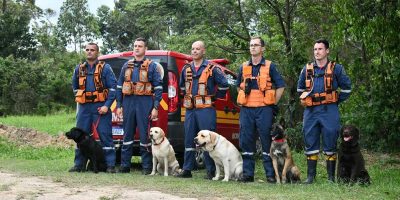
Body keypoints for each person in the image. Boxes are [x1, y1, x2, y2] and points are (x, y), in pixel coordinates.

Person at [297, 39, 351, 184]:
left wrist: (335, 100)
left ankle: (331, 179)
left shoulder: (336, 68)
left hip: (329, 110)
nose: (317, 52)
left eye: (320, 49)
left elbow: (347, 88)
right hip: (311, 110)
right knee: (310, 139)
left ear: (327, 51)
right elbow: (300, 89)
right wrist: (307, 100)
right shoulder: (307, 69)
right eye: (315, 49)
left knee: (331, 139)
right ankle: (310, 177)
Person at [176, 41, 229, 179]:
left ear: (203, 51)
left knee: (208, 141)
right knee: (189, 139)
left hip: (206, 110)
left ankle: (211, 171)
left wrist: (214, 98)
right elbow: (181, 88)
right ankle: (187, 169)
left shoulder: (213, 68)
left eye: (197, 49)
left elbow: (224, 86)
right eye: (193, 49)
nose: (194, 51)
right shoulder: (186, 68)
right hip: (190, 110)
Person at [236, 36, 285, 183]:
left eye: (256, 45)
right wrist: (245, 96)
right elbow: (238, 85)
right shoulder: (243, 67)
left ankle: (270, 174)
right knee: (246, 141)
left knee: (266, 141)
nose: (253, 47)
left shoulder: (270, 66)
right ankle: (248, 174)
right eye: (251, 45)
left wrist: (272, 103)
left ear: (262, 48)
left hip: (264, 109)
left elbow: (280, 86)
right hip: (247, 110)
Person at [116, 37, 163, 174]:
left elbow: (158, 88)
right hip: (128, 102)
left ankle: (147, 167)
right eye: (135, 46)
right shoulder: (126, 66)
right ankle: (125, 166)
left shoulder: (152, 66)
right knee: (127, 136)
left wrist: (155, 107)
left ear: (145, 49)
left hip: (145, 103)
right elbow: (119, 86)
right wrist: (119, 105)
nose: (137, 48)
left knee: (145, 136)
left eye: (140, 46)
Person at [71, 42, 117, 173]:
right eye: (87, 50)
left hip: (100, 107)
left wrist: (107, 106)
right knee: (80, 137)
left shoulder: (106, 68)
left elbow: (113, 88)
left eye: (92, 50)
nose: (89, 52)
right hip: (84, 108)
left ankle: (110, 165)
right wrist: (81, 97)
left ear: (97, 53)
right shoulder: (79, 69)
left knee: (105, 135)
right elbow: (74, 87)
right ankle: (78, 165)